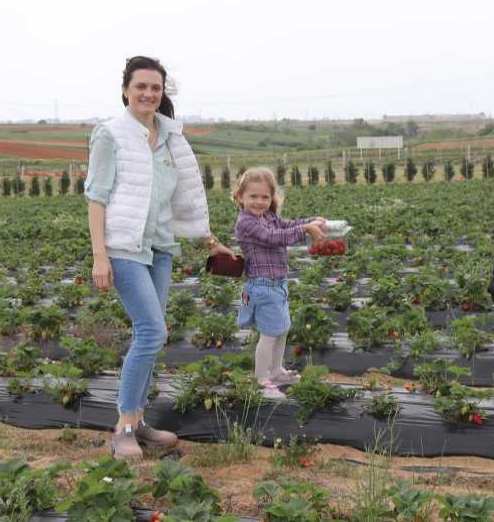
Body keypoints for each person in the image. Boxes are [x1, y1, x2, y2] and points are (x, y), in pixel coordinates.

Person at [85, 55, 235, 460]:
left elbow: (184, 198)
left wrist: (209, 242)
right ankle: (123, 428)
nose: (149, 94)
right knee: (151, 332)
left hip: (160, 249)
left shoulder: (171, 137)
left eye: (155, 88)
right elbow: (96, 198)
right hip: (123, 248)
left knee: (150, 334)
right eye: (141, 87)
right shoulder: (110, 135)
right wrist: (101, 256)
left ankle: (140, 421)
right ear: (125, 90)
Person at [232, 167, 326, 400]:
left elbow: (284, 225)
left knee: (281, 329)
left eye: (265, 197)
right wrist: (305, 230)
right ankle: (261, 379)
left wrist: (311, 221)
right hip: (262, 286)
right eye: (253, 196)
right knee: (269, 334)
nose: (259, 202)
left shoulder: (269, 216)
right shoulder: (247, 223)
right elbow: (274, 238)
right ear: (240, 196)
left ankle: (275, 371)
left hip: (277, 284)